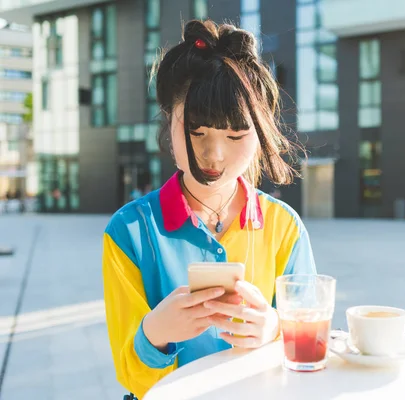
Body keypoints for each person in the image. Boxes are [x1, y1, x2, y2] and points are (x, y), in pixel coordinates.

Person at [102, 20, 316, 398]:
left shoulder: (284, 227)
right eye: (197, 132)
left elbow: (310, 345)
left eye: (235, 135)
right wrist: (156, 336)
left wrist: (274, 330)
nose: (213, 155)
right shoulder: (131, 231)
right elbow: (130, 375)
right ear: (169, 120)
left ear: (260, 131)